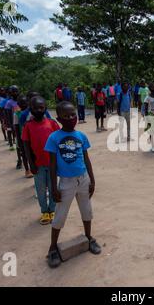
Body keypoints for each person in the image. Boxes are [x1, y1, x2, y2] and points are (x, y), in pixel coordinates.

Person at [45, 101, 101, 268]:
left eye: (73, 114)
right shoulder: (54, 138)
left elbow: (86, 159)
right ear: (59, 119)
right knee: (60, 215)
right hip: (66, 183)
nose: (71, 118)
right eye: (66, 116)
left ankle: (89, 237)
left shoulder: (81, 136)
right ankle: (52, 248)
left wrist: (92, 179)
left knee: (87, 210)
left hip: (83, 179)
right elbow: (52, 165)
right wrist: (54, 188)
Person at [22, 96, 60, 225]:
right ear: (30, 109)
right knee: (41, 190)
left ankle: (53, 210)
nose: (38, 110)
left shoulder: (52, 123)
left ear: (45, 108)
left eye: (41, 107)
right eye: (34, 108)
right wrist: (30, 164)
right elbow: (26, 146)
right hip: (37, 165)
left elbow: (59, 142)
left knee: (53, 187)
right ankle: (44, 211)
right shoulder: (28, 126)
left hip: (53, 164)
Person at [14, 95, 33, 178]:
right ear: (18, 104)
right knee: (24, 154)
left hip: (31, 137)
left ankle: (33, 169)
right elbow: (16, 127)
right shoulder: (16, 114)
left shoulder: (31, 112)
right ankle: (27, 170)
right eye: (21, 103)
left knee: (32, 154)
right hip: (22, 137)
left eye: (25, 102)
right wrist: (18, 139)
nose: (23, 104)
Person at [4, 86, 19, 151]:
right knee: (11, 132)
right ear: (11, 93)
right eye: (14, 92)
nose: (16, 93)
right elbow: (7, 114)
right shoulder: (9, 103)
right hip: (12, 122)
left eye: (16, 91)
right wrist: (9, 123)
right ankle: (11, 145)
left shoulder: (21, 100)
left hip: (19, 121)